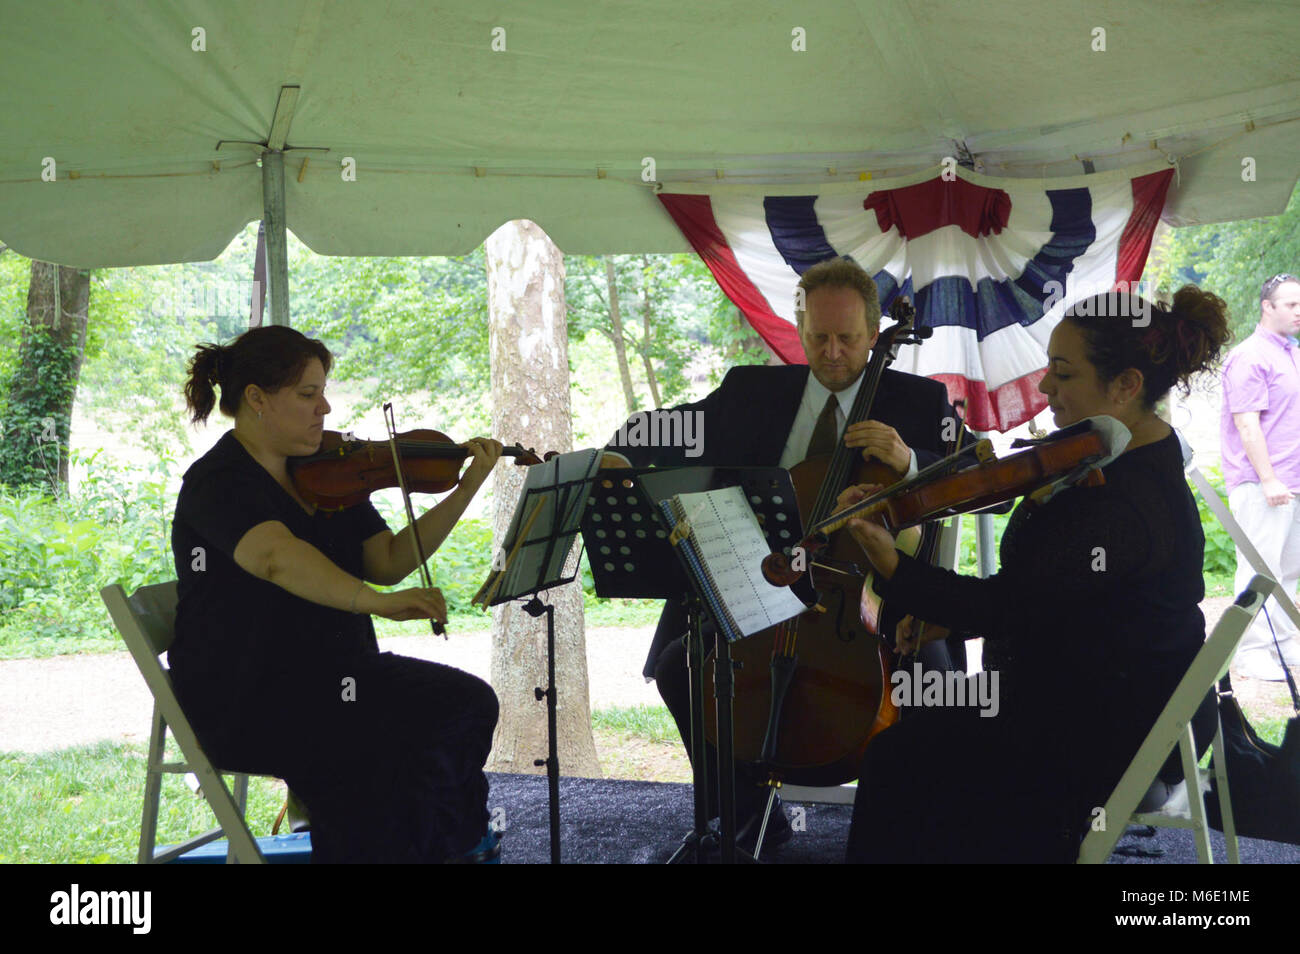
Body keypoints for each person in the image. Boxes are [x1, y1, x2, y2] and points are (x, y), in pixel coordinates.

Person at [840, 286, 1230, 863]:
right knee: (925, 715)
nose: (1045, 387)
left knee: (897, 757)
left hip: (1104, 729)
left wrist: (892, 564)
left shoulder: (1125, 505)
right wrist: (946, 621)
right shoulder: (1121, 450)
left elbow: (1010, 607)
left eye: (1064, 374)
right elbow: (1060, 599)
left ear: (1126, 386)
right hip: (1091, 687)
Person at [605, 257, 973, 849]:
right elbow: (666, 433)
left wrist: (911, 462)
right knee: (680, 665)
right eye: (817, 337)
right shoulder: (751, 392)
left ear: (874, 335)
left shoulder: (920, 402)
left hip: (878, 607)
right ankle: (746, 814)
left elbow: (984, 484)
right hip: (762, 592)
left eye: (847, 339)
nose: (831, 352)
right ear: (798, 331)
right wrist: (622, 454)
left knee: (932, 685)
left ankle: (902, 836)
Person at [168, 325, 502, 863]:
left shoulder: (327, 473)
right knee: (369, 753)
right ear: (256, 398)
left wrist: (466, 489)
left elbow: (388, 561)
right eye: (307, 394)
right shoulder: (217, 482)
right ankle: (422, 846)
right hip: (250, 693)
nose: (324, 408)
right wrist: (377, 603)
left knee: (464, 704)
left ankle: (443, 847)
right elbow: (277, 558)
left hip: (339, 677)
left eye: (322, 392)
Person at [1220, 273, 1300, 681]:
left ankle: (1285, 645)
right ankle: (1251, 651)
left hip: (1293, 482)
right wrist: (1268, 479)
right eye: (1290, 304)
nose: (1299, 311)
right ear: (1267, 306)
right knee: (1260, 569)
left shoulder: (1291, 353)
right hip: (1262, 483)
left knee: (1288, 568)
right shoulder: (1250, 356)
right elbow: (1247, 424)